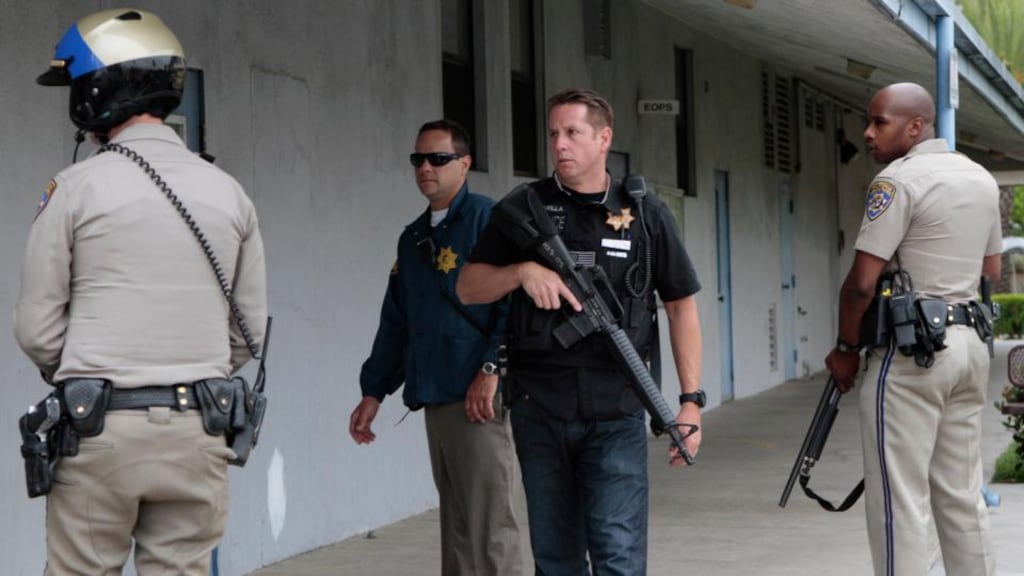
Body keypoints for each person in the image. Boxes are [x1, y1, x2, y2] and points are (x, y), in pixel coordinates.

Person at [15, 9, 267, 575]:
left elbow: (37, 331)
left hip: (98, 429)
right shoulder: (229, 193)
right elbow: (248, 329)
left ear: (99, 91)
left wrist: (89, 373)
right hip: (199, 428)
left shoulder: (74, 189)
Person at [456, 88, 704, 575]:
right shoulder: (525, 208)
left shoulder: (645, 213)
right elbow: (468, 286)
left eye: (572, 133)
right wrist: (522, 273)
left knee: (618, 554)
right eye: (553, 134)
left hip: (617, 410)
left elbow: (681, 307)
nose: (560, 145)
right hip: (540, 409)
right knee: (555, 557)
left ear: (604, 137)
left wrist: (691, 400)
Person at [825, 82, 999, 575]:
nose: (868, 132)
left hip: (912, 353)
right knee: (962, 496)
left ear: (916, 126)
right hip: (969, 347)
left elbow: (861, 284)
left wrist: (844, 348)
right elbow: (990, 273)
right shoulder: (981, 179)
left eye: (880, 122)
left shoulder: (897, 182)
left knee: (897, 500)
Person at [349, 119, 522, 576]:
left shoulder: (488, 221)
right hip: (436, 393)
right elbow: (397, 322)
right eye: (418, 159)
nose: (426, 167)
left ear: (464, 164)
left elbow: (513, 304)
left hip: (477, 395)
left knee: (491, 525)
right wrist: (374, 391)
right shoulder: (413, 239)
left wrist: (492, 368)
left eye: (438, 158)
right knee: (458, 526)